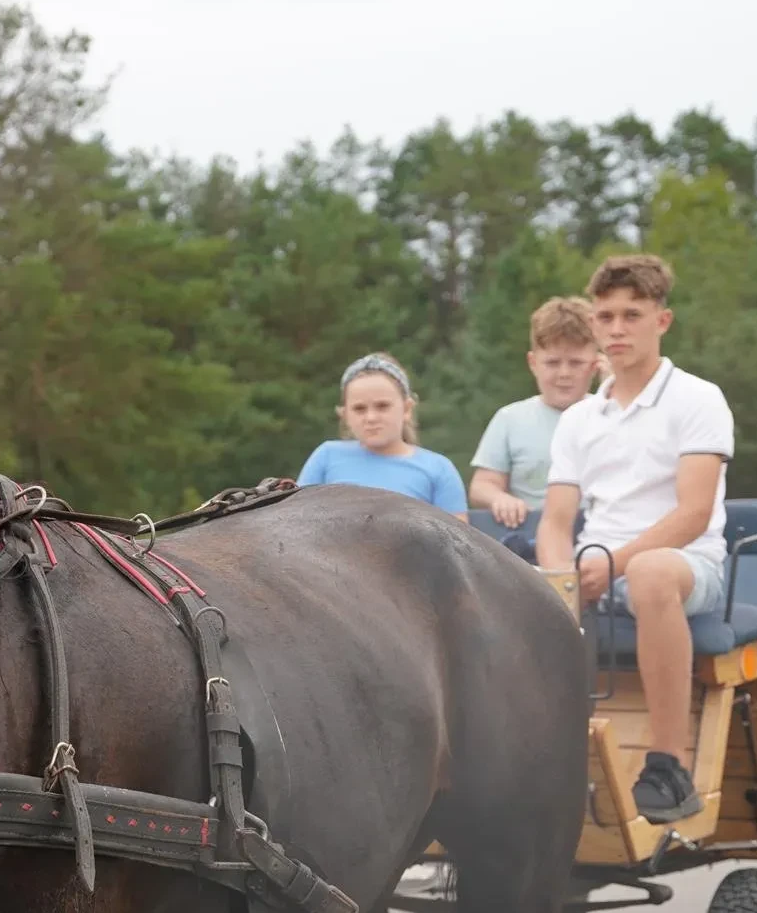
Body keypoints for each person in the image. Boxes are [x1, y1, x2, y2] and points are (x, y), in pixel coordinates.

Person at [538, 254, 733, 824]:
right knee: (499, 587)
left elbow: (695, 513)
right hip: (595, 568)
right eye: (606, 317)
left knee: (649, 575)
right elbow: (555, 521)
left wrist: (615, 565)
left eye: (632, 315)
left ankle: (669, 765)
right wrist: (560, 579)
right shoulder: (579, 418)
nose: (617, 329)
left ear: (662, 321)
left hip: (684, 566)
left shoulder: (698, 398)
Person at [469, 296, 600, 556]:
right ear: (533, 363)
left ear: (595, 365)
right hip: (529, 541)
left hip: (598, 540)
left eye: (576, 363)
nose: (564, 373)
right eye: (552, 362)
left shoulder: (613, 416)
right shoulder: (510, 418)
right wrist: (500, 498)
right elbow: (481, 485)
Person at [296, 352, 467, 517]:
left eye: (383, 406)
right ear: (345, 415)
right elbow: (294, 521)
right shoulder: (326, 457)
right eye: (359, 409)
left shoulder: (438, 469)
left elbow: (459, 541)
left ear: (407, 409)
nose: (371, 418)